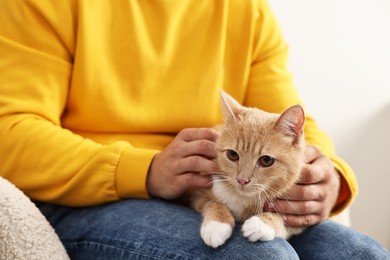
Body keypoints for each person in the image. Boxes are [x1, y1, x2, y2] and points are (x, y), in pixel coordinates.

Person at [0, 0, 388, 259]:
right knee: (256, 255)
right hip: (87, 199)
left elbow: (290, 122)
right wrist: (145, 170)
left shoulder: (245, 10)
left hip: (216, 187)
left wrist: (331, 177)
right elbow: (10, 131)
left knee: (358, 253)